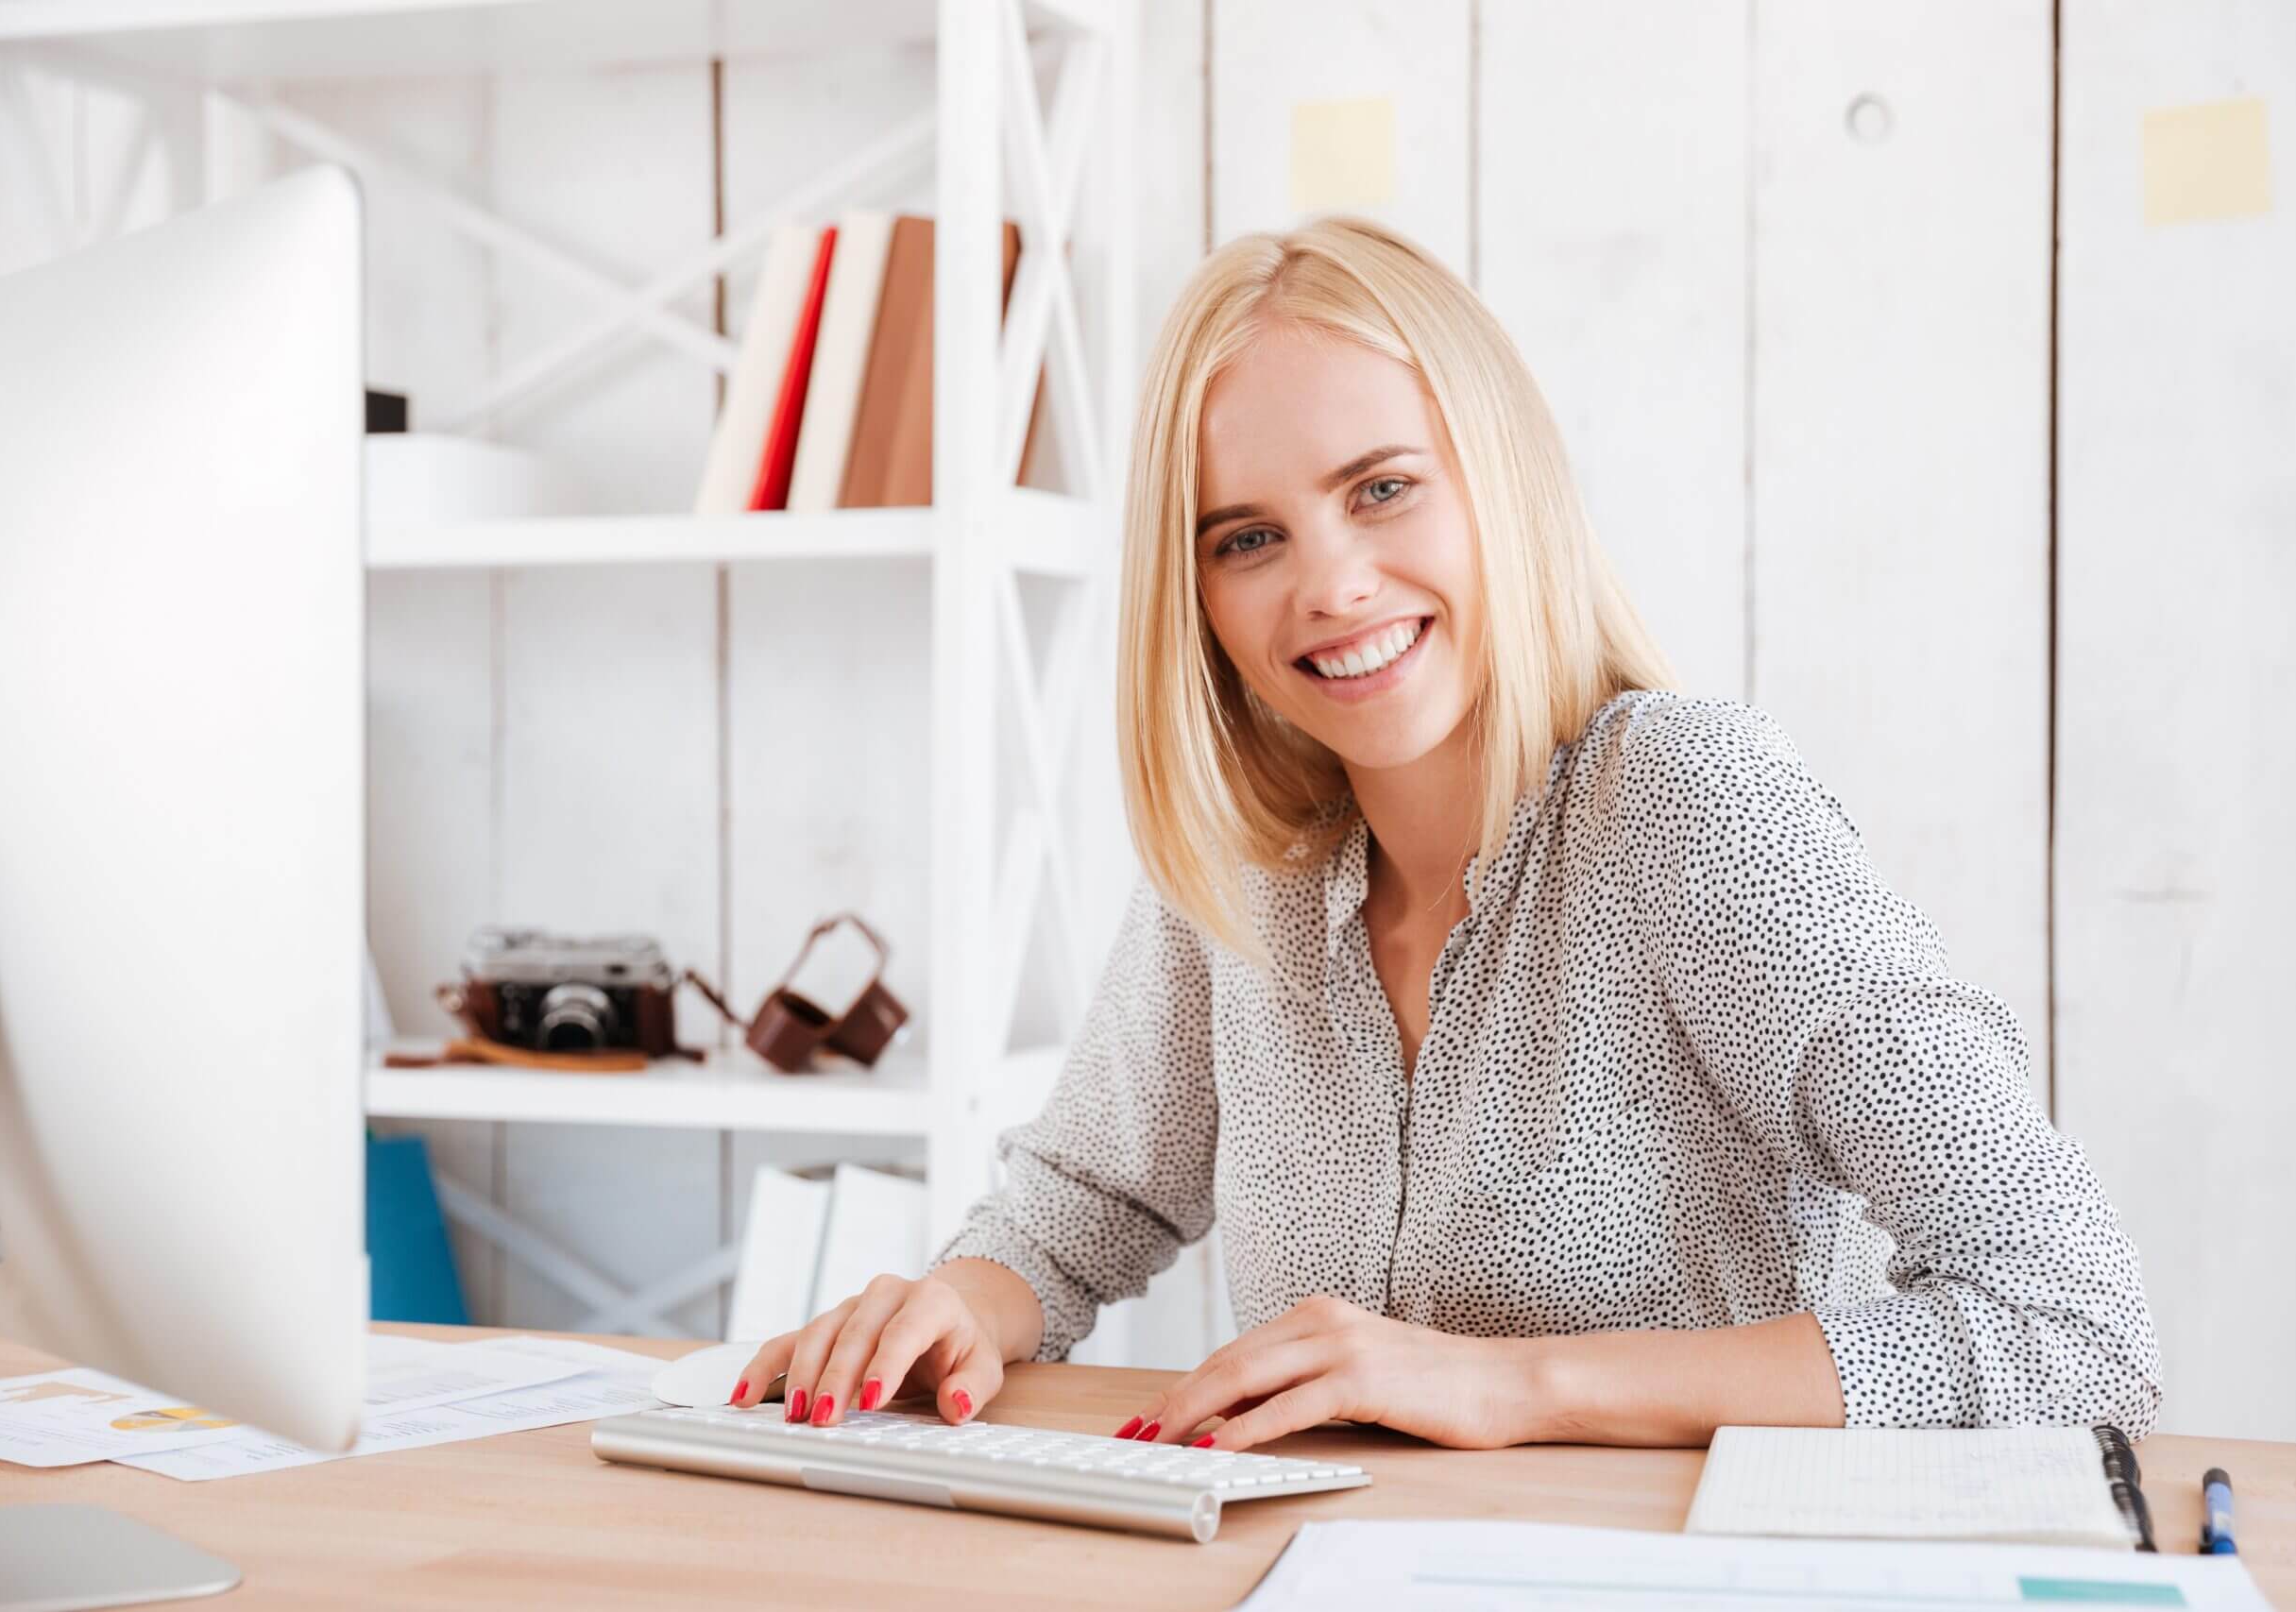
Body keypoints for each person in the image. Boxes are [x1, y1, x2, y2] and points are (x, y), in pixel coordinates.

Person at [728, 216, 2161, 1451]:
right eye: (1247, 537)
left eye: (1382, 489)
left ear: (1501, 480)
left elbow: (2075, 1323)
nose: (1332, 585)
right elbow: (1084, 1201)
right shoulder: (1249, 868)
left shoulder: (1687, 804)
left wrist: (1513, 1386)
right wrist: (958, 1304)